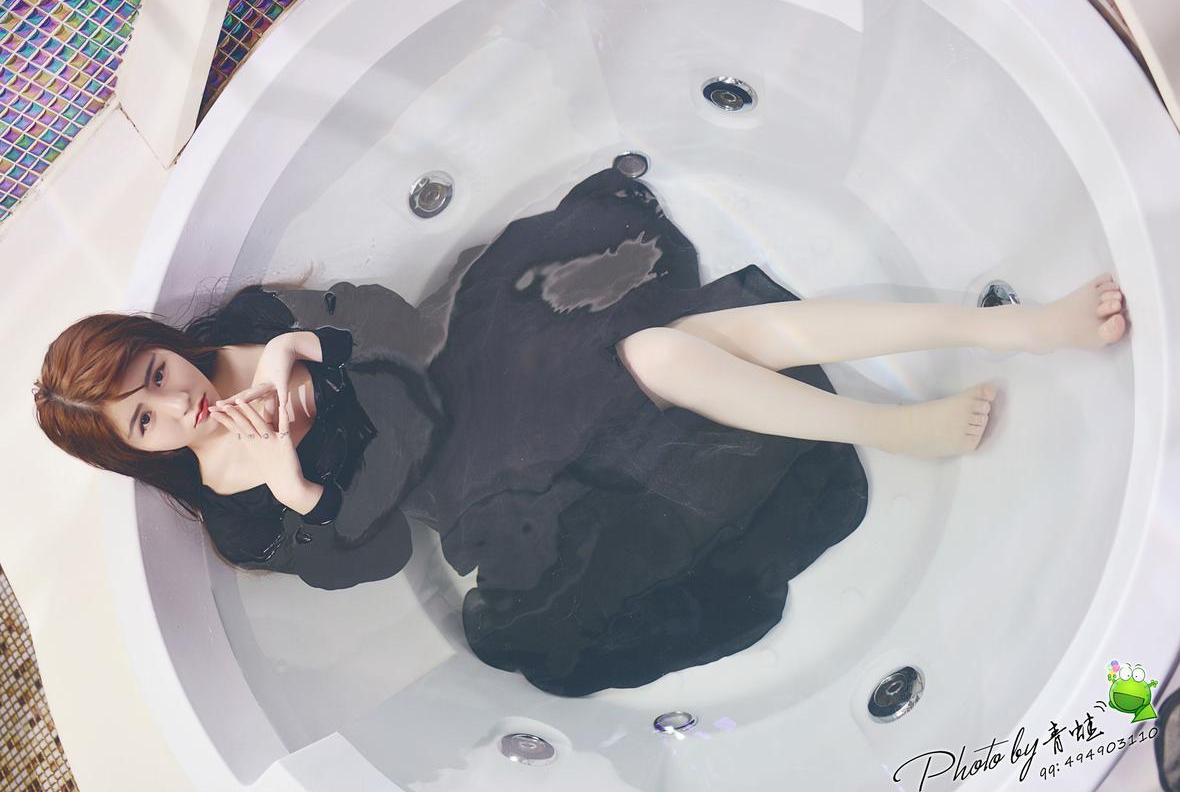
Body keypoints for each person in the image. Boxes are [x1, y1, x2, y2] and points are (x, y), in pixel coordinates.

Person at [32, 167, 1127, 696]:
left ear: (162, 345)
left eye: (157, 372)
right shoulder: (235, 508)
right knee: (679, 347)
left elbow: (397, 330)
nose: (179, 403)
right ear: (137, 448)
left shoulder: (248, 326)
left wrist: (293, 352)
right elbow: (375, 550)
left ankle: (975, 363)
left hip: (479, 362)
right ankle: (956, 377)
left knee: (687, 340)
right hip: (474, 474)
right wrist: (295, 483)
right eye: (147, 418)